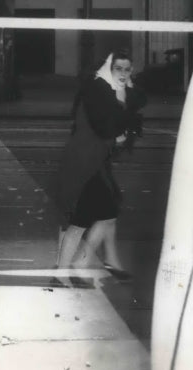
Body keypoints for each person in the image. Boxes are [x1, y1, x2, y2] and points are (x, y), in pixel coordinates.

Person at [54, 48, 146, 277]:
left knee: (106, 214)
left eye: (127, 69)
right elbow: (105, 127)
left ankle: (87, 265)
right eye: (118, 68)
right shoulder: (99, 90)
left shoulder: (110, 89)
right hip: (86, 163)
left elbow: (133, 107)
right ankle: (66, 271)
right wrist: (117, 134)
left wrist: (125, 98)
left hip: (95, 161)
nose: (123, 73)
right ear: (108, 69)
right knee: (86, 219)